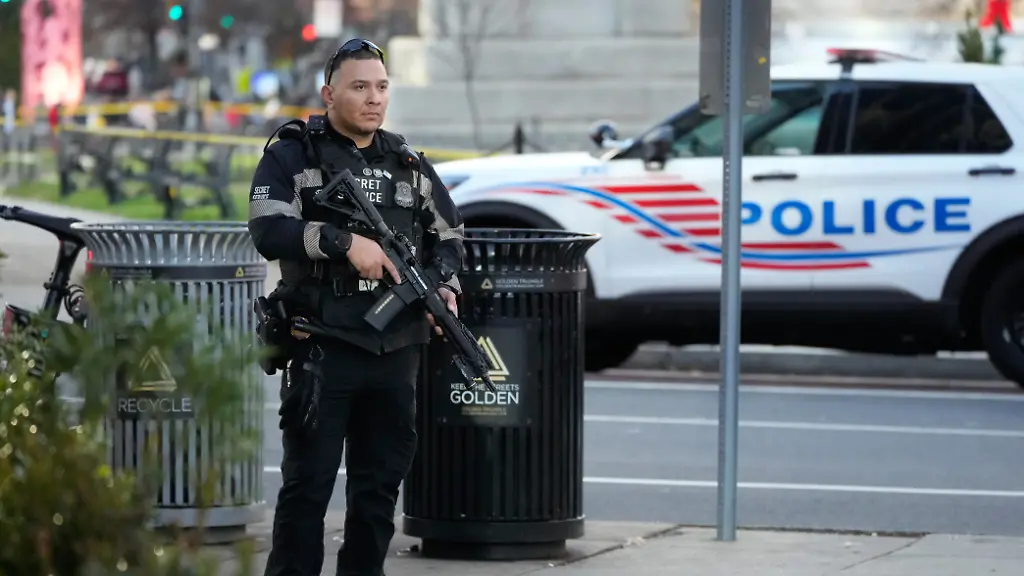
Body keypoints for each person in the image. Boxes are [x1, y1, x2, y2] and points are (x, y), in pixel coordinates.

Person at [247, 38, 465, 576]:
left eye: (382, 87)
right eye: (360, 87)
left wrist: (441, 285)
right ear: (329, 94)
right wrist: (344, 243)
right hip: (322, 347)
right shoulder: (293, 154)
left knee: (377, 493)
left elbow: (450, 236)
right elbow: (268, 229)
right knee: (308, 489)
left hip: (396, 352)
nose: (374, 98)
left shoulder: (408, 164)